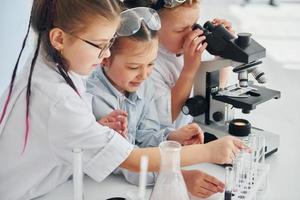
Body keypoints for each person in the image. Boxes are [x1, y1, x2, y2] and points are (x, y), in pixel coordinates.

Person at [0, 1, 244, 199]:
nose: (106, 54)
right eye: (100, 45)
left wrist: (93, 130)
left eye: (109, 44)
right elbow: (134, 161)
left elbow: (58, 130)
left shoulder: (52, 59)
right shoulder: (58, 100)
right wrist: (209, 152)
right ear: (59, 39)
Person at [86, 8, 222, 193]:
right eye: (133, 67)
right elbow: (128, 165)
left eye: (151, 64)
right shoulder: (97, 101)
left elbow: (144, 135)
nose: (143, 75)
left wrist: (171, 137)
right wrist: (180, 177)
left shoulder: (142, 84)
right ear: (105, 59)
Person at [123, 0, 235, 198]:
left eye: (194, 25)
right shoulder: (149, 63)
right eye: (181, 29)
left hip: (189, 141)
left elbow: (216, 91)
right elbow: (166, 119)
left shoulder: (184, 52)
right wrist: (189, 70)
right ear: (151, 27)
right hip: (162, 149)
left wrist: (224, 53)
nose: (192, 34)